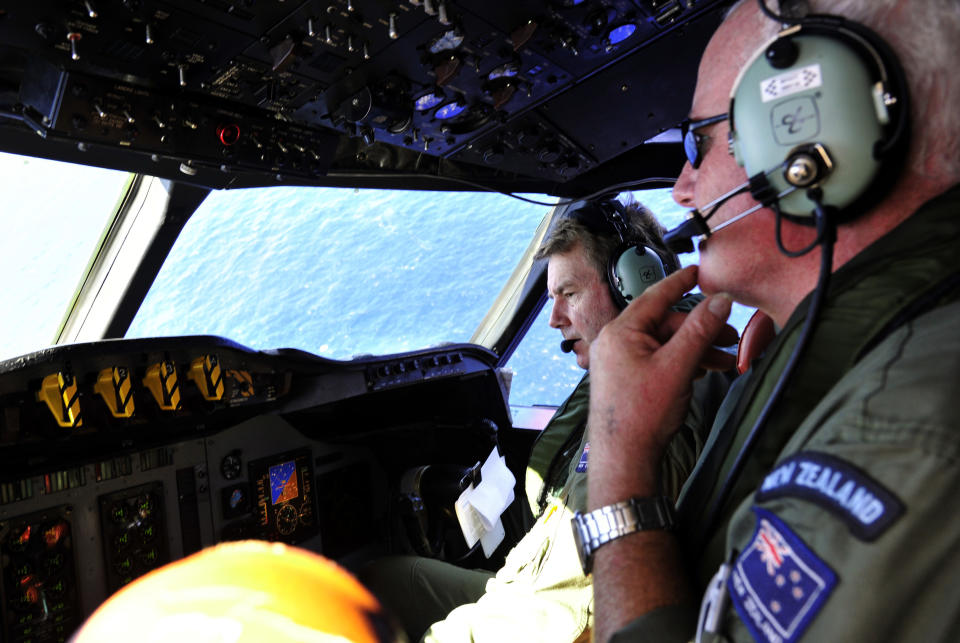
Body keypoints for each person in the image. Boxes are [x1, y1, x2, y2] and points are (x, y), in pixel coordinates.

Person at [584, 0, 960, 641]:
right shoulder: (861, 356)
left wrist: (621, 461)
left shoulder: (903, 433)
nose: (680, 189)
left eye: (695, 144)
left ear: (811, 141)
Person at [361, 199, 730, 642]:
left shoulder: (667, 384)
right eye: (552, 298)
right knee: (377, 581)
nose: (554, 319)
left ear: (633, 283)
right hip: (524, 589)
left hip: (554, 617)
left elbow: (585, 599)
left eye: (569, 294)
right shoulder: (620, 375)